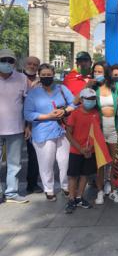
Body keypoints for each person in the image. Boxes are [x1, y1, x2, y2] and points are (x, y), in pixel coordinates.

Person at [24, 63, 75, 201]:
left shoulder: (62, 89)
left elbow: (74, 104)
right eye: (44, 75)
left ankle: (65, 186)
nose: (47, 77)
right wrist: (48, 116)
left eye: (49, 74)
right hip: (43, 132)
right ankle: (49, 188)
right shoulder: (33, 93)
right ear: (39, 76)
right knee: (46, 163)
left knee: (65, 162)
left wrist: (64, 111)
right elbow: (28, 114)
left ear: (53, 74)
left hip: (63, 131)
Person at [91, 62, 118, 204]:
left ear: (106, 73)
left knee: (115, 162)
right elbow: (79, 101)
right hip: (99, 131)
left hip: (114, 130)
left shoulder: (116, 87)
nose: (98, 74)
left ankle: (113, 190)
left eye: (101, 71)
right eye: (96, 71)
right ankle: (99, 191)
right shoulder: (93, 88)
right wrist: (88, 86)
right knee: (101, 164)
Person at [0, 49, 29, 203]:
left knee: (14, 163)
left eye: (10, 61)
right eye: (3, 60)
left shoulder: (22, 78)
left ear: (14, 63)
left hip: (16, 127)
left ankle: (11, 193)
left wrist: (28, 125)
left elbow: (27, 102)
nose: (7, 63)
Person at [64, 88, 100, 213]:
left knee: (85, 174)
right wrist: (80, 148)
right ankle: (71, 199)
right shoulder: (75, 113)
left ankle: (79, 197)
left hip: (90, 150)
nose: (91, 101)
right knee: (73, 176)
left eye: (93, 99)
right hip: (76, 150)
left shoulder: (96, 114)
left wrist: (90, 148)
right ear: (82, 100)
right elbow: (68, 133)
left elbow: (97, 133)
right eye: (88, 99)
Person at [22, 56, 43, 194]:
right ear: (24, 64)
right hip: (12, 122)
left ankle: (32, 183)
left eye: (35, 64)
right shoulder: (17, 78)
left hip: (32, 122)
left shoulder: (41, 82)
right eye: (29, 63)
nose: (32, 66)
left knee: (34, 155)